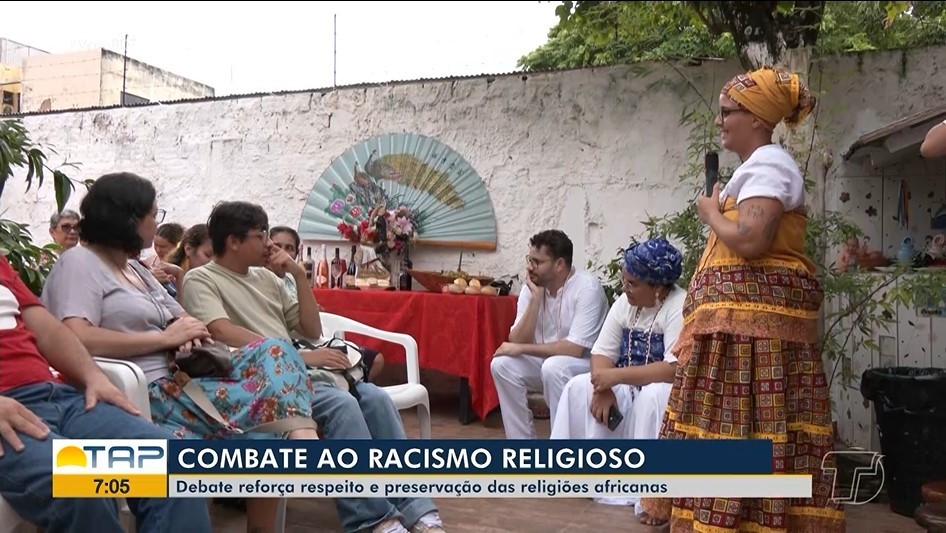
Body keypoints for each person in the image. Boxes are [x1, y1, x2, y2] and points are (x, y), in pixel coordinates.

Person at [41, 173, 318, 533]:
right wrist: (164, 339)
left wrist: (189, 332)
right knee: (262, 436)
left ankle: (299, 440)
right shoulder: (80, 264)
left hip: (186, 379)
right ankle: (302, 443)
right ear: (127, 217)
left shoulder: (136, 269)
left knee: (275, 350)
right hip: (140, 392)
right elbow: (74, 336)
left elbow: (182, 316)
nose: (157, 222)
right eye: (153, 214)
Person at [641, 67, 845, 531]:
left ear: (755, 118)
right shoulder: (755, 169)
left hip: (756, 337)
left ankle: (747, 519)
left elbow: (751, 239)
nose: (719, 121)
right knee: (736, 426)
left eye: (727, 112)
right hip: (737, 333)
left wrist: (712, 213)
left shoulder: (770, 165)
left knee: (745, 426)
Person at [181, 201, 445, 533]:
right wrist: (296, 357)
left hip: (296, 375)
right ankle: (373, 520)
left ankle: (416, 509)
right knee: (341, 404)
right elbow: (220, 330)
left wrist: (295, 275)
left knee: (375, 399)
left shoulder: (267, 278)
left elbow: (311, 330)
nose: (268, 243)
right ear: (233, 241)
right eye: (261, 234)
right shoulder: (201, 279)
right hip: (257, 382)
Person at [0, 256, 213, 533]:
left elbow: (48, 330)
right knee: (81, 486)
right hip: (8, 415)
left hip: (56, 396)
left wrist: (93, 375)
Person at [551, 238, 685, 511]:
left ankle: (648, 495)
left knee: (652, 396)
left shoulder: (678, 306)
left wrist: (616, 378)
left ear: (658, 286)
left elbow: (673, 369)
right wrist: (602, 388)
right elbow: (602, 353)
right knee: (579, 387)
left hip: (661, 387)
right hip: (624, 383)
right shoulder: (625, 303)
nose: (625, 289)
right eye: (624, 281)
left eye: (632, 283)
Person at [490, 229, 609, 439]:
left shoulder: (587, 288)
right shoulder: (533, 287)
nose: (529, 267)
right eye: (529, 259)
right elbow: (516, 339)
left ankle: (561, 448)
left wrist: (522, 348)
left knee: (554, 367)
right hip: (545, 363)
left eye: (537, 262)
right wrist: (535, 300)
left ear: (559, 264)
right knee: (501, 365)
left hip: (585, 365)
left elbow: (574, 348)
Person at [269, 225, 385, 382]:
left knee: (375, 359)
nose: (283, 252)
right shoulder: (264, 279)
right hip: (295, 345)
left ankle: (356, 389)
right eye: (277, 246)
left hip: (313, 340)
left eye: (289, 248)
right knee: (347, 368)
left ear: (296, 254)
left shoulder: (293, 278)